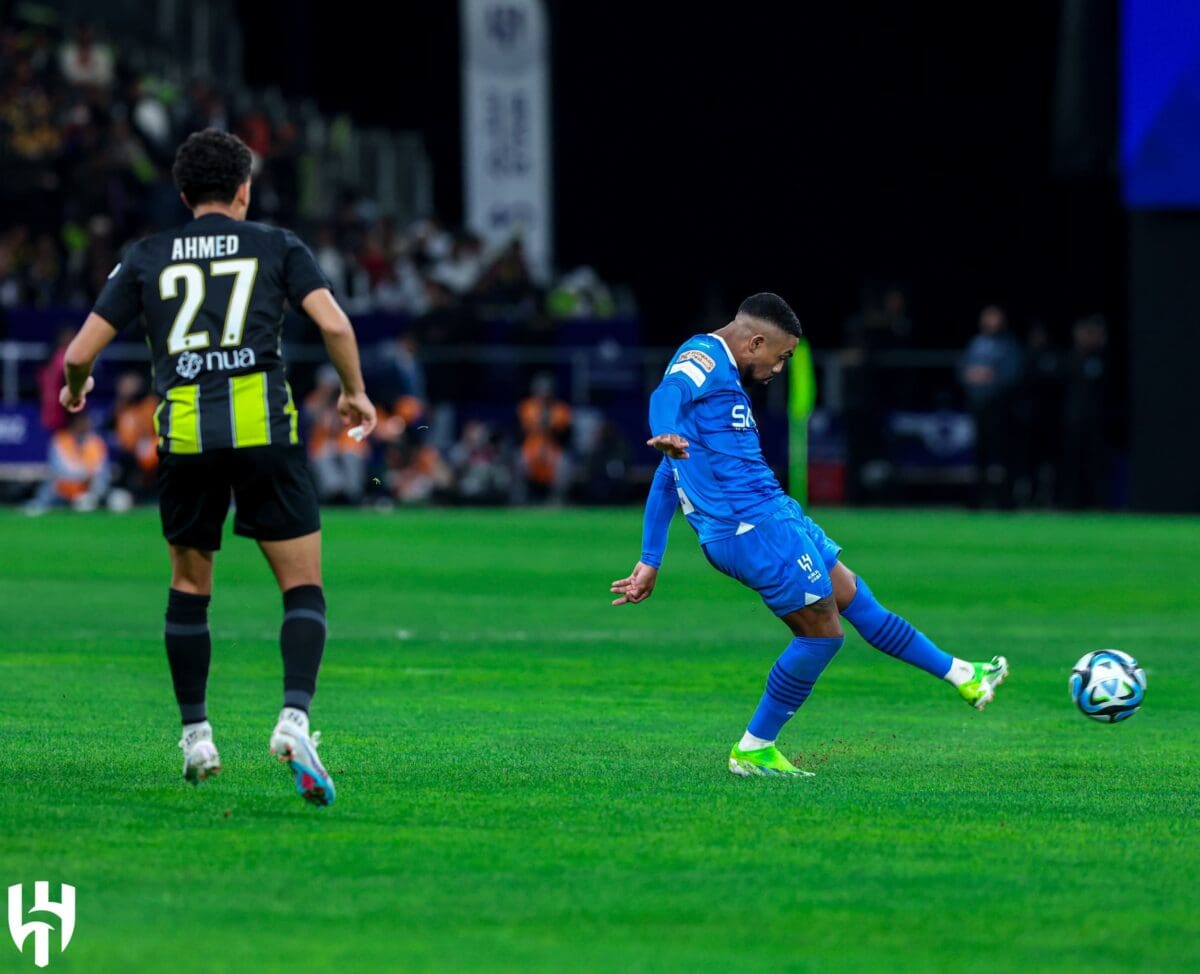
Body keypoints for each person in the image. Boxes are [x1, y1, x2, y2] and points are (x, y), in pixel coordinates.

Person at [57, 129, 377, 806]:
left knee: (189, 583)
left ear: (182, 194)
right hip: (265, 430)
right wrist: (354, 392)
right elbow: (338, 327)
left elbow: (80, 349)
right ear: (244, 190)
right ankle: (294, 719)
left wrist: (77, 387)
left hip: (187, 439)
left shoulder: (145, 256)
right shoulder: (277, 244)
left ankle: (198, 735)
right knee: (302, 587)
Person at [610, 293, 1007, 778]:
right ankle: (754, 748)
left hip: (776, 513)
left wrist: (651, 557)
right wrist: (665, 429)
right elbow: (665, 396)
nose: (780, 367)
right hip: (750, 528)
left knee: (854, 596)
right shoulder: (702, 359)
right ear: (755, 341)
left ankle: (963, 675)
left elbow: (666, 475)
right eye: (781, 356)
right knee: (822, 634)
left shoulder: (725, 386)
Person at [959, 305, 1023, 508]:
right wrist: (972, 376)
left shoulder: (1009, 345)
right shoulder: (975, 343)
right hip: (978, 407)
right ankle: (976, 500)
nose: (990, 322)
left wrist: (991, 376)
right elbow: (962, 369)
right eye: (987, 317)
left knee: (1001, 455)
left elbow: (1011, 374)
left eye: (994, 317)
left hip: (1001, 409)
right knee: (979, 455)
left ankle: (1004, 500)